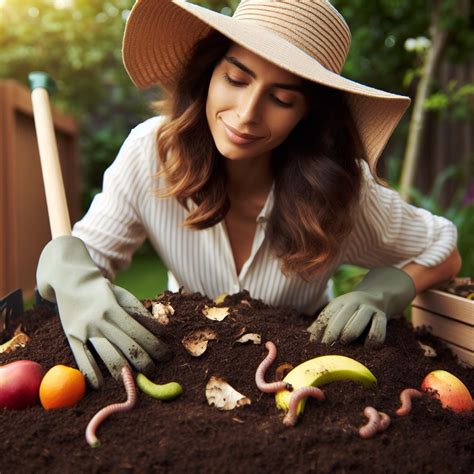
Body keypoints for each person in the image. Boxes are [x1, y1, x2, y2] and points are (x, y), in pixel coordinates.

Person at [37, 0, 461, 388]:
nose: (246, 114)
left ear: (307, 115)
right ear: (209, 73)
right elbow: (89, 262)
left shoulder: (342, 191)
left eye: (281, 99)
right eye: (236, 78)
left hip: (299, 373)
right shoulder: (150, 153)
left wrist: (390, 287)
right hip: (186, 362)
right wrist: (71, 268)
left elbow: (444, 248)